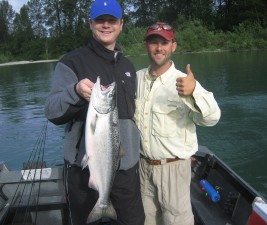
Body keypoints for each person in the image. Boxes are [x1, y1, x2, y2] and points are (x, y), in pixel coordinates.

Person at [44, 0, 145, 224]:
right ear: (91, 24)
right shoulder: (71, 62)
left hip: (126, 170)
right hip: (85, 171)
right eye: (100, 20)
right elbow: (51, 111)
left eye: (112, 20)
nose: (106, 25)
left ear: (121, 24)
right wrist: (75, 91)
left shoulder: (127, 66)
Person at [134, 22, 221, 225]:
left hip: (173, 168)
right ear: (146, 45)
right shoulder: (136, 78)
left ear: (173, 46)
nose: (158, 48)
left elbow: (212, 118)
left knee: (176, 221)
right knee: (147, 219)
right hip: (142, 167)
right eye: (153, 42)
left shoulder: (185, 81)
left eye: (164, 42)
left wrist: (194, 93)